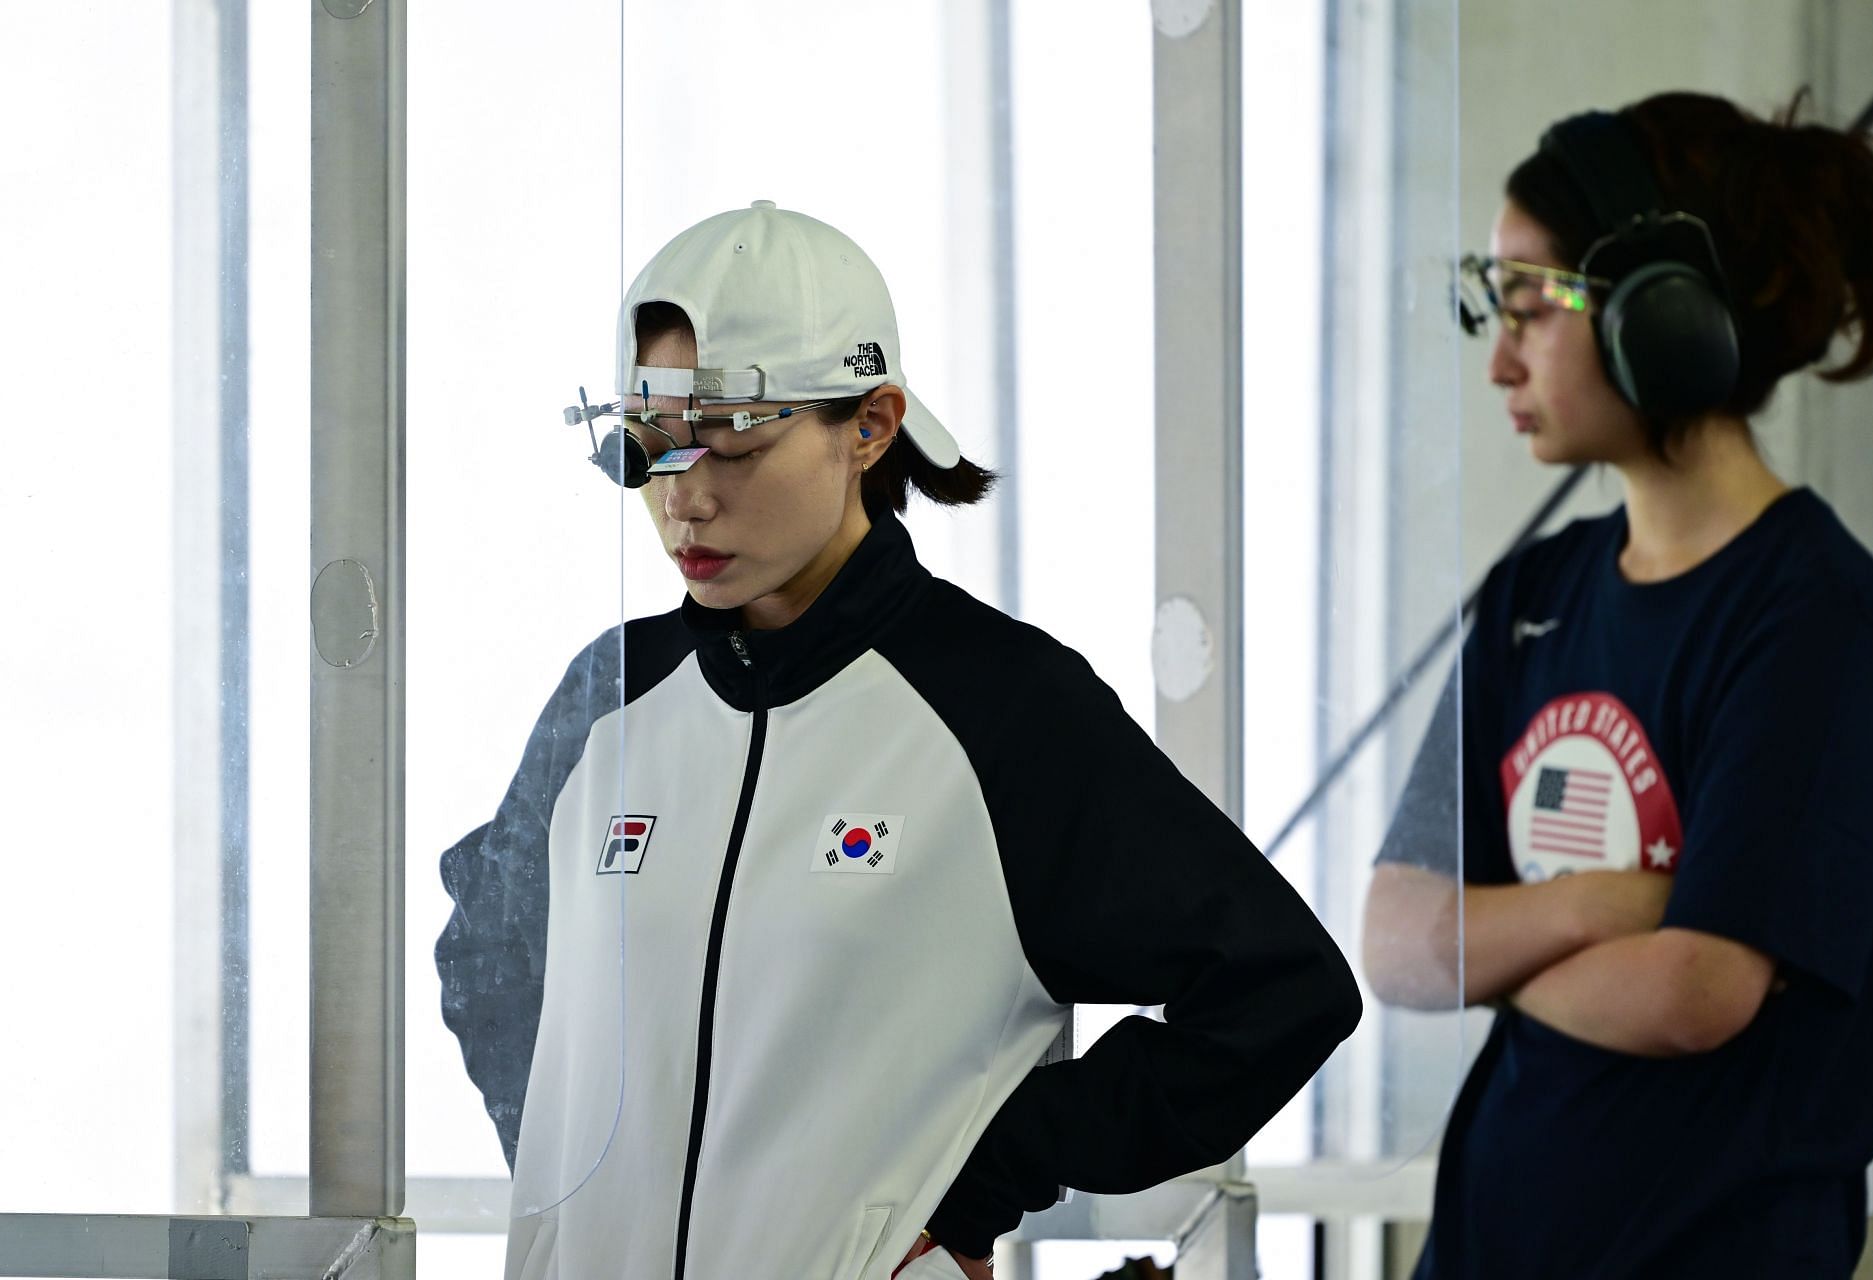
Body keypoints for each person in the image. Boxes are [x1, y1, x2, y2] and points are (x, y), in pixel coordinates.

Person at [435, 200, 1362, 1280]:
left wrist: (985, 1177)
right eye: (651, 435)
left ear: (870, 425)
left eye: (734, 430)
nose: (685, 491)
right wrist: (572, 1198)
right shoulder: (612, 694)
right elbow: (487, 954)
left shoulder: (1002, 707)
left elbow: (1280, 990)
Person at [1364, 92, 1873, 1277]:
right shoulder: (1532, 593)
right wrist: (1610, 903)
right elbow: (1398, 940)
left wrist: (1493, 950)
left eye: (1530, 302)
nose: (1501, 355)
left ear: (1659, 312)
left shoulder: (1818, 615)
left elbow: (1697, 987)